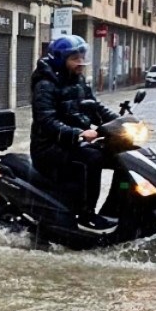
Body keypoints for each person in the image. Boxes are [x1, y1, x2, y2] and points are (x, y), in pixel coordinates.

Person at [30, 35, 120, 231]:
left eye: (82, 57)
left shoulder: (78, 81)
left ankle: (117, 208)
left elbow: (95, 108)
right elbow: (46, 121)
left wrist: (120, 121)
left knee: (120, 155)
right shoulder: (45, 85)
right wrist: (79, 133)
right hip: (49, 147)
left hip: (72, 143)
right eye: (75, 59)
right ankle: (86, 215)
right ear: (61, 60)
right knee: (93, 157)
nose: (81, 63)